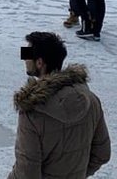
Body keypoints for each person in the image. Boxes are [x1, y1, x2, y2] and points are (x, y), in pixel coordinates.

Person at [8, 32, 111, 178]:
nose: (24, 58)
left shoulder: (33, 112)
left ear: (39, 62)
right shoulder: (91, 100)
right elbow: (102, 154)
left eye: (28, 54)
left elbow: (27, 173)